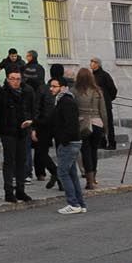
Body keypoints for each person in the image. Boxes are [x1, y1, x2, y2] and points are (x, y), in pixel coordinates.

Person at [0, 67, 36, 202]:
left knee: (21, 161)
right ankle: (8, 191)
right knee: (9, 161)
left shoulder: (28, 91)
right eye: (12, 79)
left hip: (23, 131)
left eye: (18, 79)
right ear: (7, 79)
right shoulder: (1, 92)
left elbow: (33, 109)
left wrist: (31, 122)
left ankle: (20, 190)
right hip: (8, 131)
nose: (15, 82)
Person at [45, 73, 85, 214]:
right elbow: (52, 120)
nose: (51, 89)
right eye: (51, 86)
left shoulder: (66, 101)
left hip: (69, 142)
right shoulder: (61, 101)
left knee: (62, 172)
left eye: (54, 86)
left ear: (63, 88)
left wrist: (64, 140)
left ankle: (73, 203)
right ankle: (80, 203)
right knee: (72, 173)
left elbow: (70, 124)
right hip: (70, 141)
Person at [73, 66, 107, 191]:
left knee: (85, 152)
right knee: (94, 151)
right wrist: (106, 127)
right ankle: (94, 178)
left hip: (82, 123)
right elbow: (103, 111)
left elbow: (73, 109)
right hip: (97, 122)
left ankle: (89, 180)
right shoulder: (98, 91)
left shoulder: (75, 91)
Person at [91, 58, 119, 149]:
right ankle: (101, 142)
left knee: (108, 124)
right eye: (91, 62)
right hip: (95, 104)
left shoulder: (105, 75)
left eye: (93, 62)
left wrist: (108, 99)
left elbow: (113, 89)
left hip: (105, 103)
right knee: (98, 124)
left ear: (98, 64)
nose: (91, 64)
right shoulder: (91, 76)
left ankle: (111, 143)